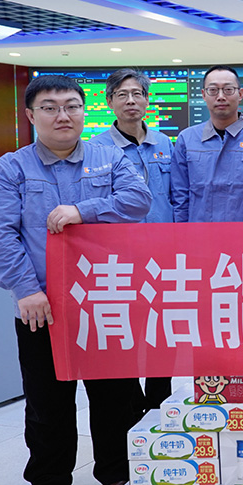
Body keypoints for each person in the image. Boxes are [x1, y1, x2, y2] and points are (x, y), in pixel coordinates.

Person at [0, 75, 151, 485]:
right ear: (31, 115)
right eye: (50, 107)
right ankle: (48, 482)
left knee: (116, 394)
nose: (63, 116)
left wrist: (82, 210)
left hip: (105, 301)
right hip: (42, 306)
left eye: (72, 106)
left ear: (83, 111)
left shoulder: (108, 157)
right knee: (47, 399)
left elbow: (138, 200)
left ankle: (118, 473)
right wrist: (26, 290)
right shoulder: (11, 168)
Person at [88, 68, 173, 410]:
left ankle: (160, 406)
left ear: (147, 100)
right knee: (126, 332)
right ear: (110, 101)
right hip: (120, 259)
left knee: (163, 334)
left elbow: (177, 196)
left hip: (164, 256)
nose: (131, 101)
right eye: (122, 95)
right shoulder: (95, 148)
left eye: (137, 93)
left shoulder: (164, 143)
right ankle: (130, 408)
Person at [170, 65, 243, 223]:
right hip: (199, 233)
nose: (220, 97)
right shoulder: (186, 139)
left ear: (240, 94)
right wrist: (182, 232)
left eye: (228, 90)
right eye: (213, 90)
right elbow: (180, 197)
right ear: (203, 95)